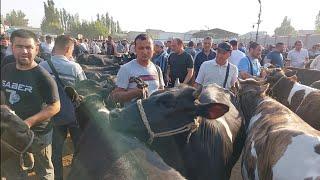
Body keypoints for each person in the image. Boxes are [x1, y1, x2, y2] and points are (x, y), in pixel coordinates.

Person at [1, 29, 60, 179]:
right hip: (11, 130)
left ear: (36, 49)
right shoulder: (6, 70)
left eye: (29, 47)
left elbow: (55, 106)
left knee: (44, 170)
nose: (24, 51)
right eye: (19, 46)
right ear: (12, 47)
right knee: (11, 168)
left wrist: (27, 123)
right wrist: (4, 105)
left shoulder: (43, 77)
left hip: (38, 134)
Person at [39, 35, 86, 180]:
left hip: (52, 117)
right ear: (67, 49)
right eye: (71, 50)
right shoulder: (75, 67)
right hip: (73, 117)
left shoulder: (42, 66)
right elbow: (83, 89)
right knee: (79, 150)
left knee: (55, 152)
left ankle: (58, 177)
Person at [111, 34, 165, 105]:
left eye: (148, 48)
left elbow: (161, 90)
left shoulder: (157, 69)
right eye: (141, 48)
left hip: (154, 114)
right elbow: (114, 96)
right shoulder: (126, 69)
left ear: (153, 49)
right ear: (135, 49)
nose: (145, 52)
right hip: (134, 114)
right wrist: (134, 93)